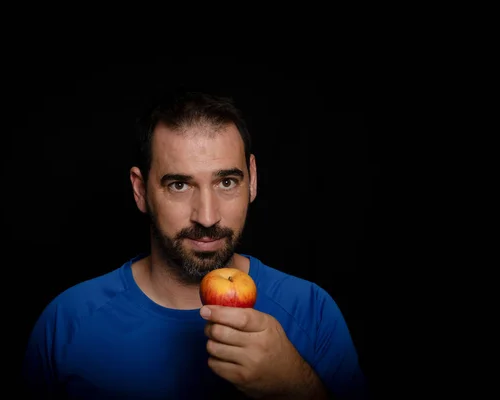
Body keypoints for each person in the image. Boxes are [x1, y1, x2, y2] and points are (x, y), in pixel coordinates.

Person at [22, 89, 368, 399]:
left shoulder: (312, 310)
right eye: (179, 185)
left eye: (227, 181)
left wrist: (297, 387)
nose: (206, 216)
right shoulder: (66, 322)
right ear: (140, 190)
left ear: (253, 180)